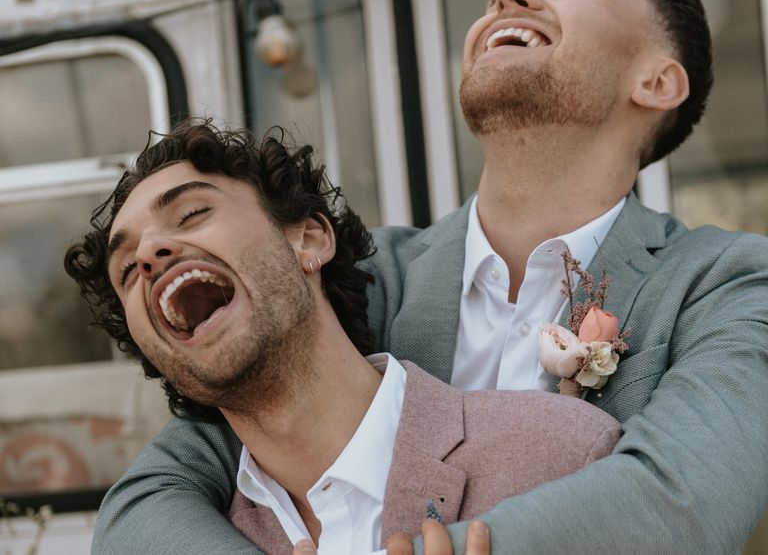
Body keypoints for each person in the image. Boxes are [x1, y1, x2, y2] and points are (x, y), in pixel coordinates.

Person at [85, 0, 768, 554]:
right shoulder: (367, 279)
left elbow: (682, 499)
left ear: (657, 81)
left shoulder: (731, 283)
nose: (509, 1)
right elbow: (151, 498)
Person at [65, 123, 620, 555]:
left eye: (192, 213)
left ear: (309, 238)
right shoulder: (180, 536)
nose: (148, 255)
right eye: (126, 273)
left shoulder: (568, 455)